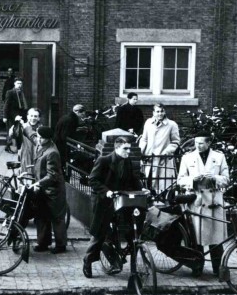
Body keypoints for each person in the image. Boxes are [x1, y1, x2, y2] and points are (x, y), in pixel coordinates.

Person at [83, 137, 144, 279]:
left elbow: (133, 179)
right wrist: (106, 191)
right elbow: (92, 180)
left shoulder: (127, 161)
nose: (128, 152)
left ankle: (128, 255)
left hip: (120, 200)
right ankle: (88, 260)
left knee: (132, 224)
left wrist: (141, 191)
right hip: (104, 200)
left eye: (129, 148)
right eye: (125, 149)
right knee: (99, 233)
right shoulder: (104, 160)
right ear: (117, 148)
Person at [177, 134, 230, 277]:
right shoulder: (187, 158)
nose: (198, 146)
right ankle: (197, 267)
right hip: (197, 200)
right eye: (196, 143)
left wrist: (215, 177)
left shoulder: (219, 157)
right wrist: (192, 179)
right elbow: (180, 180)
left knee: (216, 238)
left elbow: (226, 179)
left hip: (214, 201)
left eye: (201, 143)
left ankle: (217, 268)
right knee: (197, 237)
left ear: (209, 143)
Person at [29, 126, 68, 254]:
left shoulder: (52, 152)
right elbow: (32, 136)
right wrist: (24, 125)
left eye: (41, 138)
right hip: (44, 189)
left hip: (53, 191)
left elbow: (52, 175)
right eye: (38, 137)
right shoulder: (42, 145)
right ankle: (43, 243)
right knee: (41, 216)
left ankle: (61, 245)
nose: (38, 139)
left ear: (47, 139)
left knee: (57, 218)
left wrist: (38, 183)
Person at [138, 104, 180, 195]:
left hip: (163, 159)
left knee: (163, 185)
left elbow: (175, 142)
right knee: (147, 183)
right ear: (153, 112)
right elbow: (144, 139)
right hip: (148, 159)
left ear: (164, 112)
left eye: (162, 111)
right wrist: (141, 151)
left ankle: (162, 203)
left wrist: (166, 152)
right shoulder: (148, 122)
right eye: (157, 111)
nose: (160, 114)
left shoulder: (172, 125)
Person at [54, 104, 87, 172]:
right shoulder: (71, 120)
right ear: (78, 112)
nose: (83, 116)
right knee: (64, 164)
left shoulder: (67, 117)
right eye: (82, 114)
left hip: (58, 143)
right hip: (62, 146)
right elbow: (65, 135)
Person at [3, 79, 28, 153]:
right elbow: (6, 105)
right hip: (11, 115)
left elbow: (23, 104)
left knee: (18, 132)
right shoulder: (10, 92)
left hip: (20, 115)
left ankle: (17, 147)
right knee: (11, 132)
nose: (19, 85)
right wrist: (5, 116)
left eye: (20, 83)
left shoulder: (22, 93)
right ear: (14, 83)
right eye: (18, 83)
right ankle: (8, 146)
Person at [17, 108, 42, 173]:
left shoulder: (41, 129)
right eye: (31, 116)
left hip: (37, 155)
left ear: (39, 118)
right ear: (27, 117)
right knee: (26, 175)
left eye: (35, 116)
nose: (33, 118)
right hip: (26, 154)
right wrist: (15, 124)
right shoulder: (22, 126)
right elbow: (13, 136)